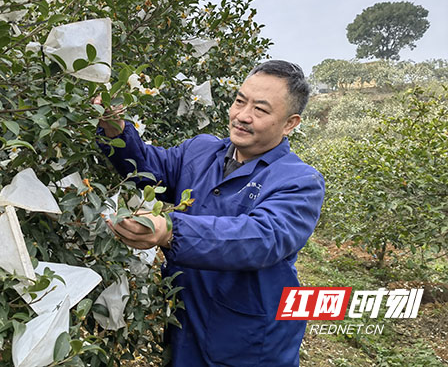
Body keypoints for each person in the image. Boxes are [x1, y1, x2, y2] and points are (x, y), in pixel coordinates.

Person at [96, 60, 325, 366]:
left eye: (260, 109)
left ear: (289, 123)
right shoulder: (201, 151)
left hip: (250, 340)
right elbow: (149, 169)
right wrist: (118, 131)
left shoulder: (299, 181)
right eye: (240, 101)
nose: (242, 116)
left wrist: (171, 230)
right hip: (187, 321)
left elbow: (261, 237)